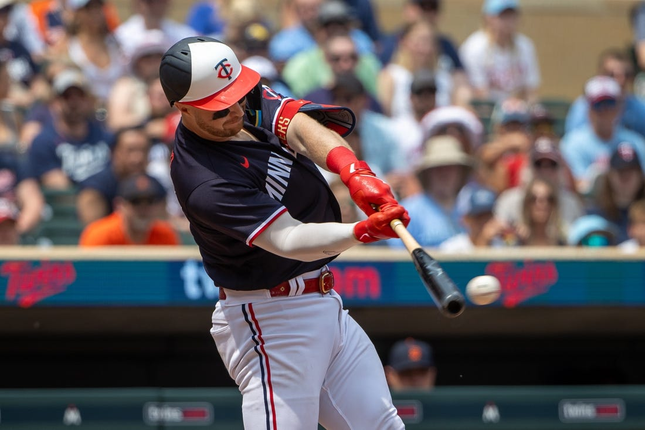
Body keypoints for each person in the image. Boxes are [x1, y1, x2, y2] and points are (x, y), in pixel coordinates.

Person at [159, 36, 408, 429]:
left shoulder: (238, 98)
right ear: (182, 109)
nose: (235, 110)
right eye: (218, 108)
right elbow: (289, 240)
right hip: (271, 320)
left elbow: (299, 126)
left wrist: (352, 170)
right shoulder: (204, 180)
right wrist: (358, 231)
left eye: (237, 96)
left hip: (325, 304)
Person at [28, 68, 113, 188]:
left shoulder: (104, 136)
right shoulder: (43, 142)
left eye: (80, 96)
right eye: (67, 96)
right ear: (55, 102)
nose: (74, 102)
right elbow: (60, 190)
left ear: (89, 100)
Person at [560, 75, 645, 195]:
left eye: (610, 103)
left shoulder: (636, 143)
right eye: (598, 104)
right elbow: (577, 188)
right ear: (588, 109)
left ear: (619, 107)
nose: (605, 110)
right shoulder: (571, 144)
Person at [390, 135, 470, 249]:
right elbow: (398, 258)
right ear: (428, 173)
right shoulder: (407, 212)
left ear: (461, 172)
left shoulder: (473, 207)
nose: (445, 174)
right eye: (439, 168)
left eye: (451, 168)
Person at [459, 0, 540, 102]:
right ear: (488, 18)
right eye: (503, 16)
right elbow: (480, 93)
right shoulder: (474, 48)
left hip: (518, 111)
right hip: (485, 112)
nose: (509, 21)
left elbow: (531, 90)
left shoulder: (525, 46)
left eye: (512, 16)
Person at [76, 125, 151, 224]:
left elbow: (161, 225)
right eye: (131, 150)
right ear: (115, 152)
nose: (138, 158)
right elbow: (93, 232)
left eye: (143, 150)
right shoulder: (94, 188)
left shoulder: (153, 186)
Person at [79, 172, 179, 246]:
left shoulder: (166, 235)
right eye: (135, 202)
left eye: (150, 201)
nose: (143, 208)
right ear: (119, 205)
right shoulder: (99, 235)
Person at [565, 49, 645, 138]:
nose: (621, 80)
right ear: (600, 75)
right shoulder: (583, 105)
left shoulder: (639, 106)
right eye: (611, 74)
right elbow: (573, 142)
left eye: (626, 74)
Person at [586, 141, 645, 244]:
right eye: (620, 172)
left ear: (640, 175)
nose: (626, 178)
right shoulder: (595, 215)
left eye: (631, 171)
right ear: (609, 176)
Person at [440, 185, 518, 251]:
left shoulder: (502, 246)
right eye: (479, 217)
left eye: (488, 216)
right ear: (466, 220)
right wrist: (483, 240)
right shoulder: (452, 249)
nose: (484, 222)